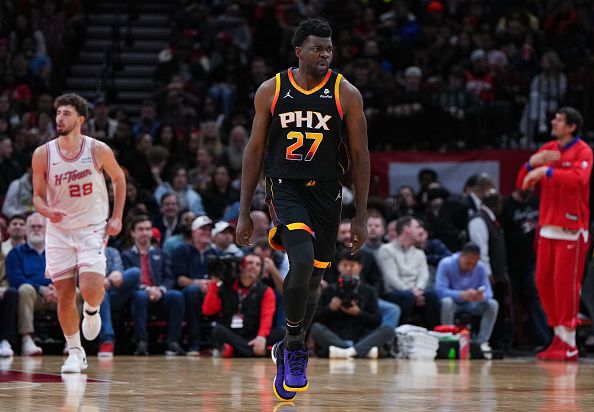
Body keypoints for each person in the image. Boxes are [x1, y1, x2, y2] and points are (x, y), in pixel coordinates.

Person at [235, 18, 370, 401]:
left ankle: (288, 345)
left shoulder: (346, 93)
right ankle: (295, 345)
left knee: (311, 284)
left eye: (329, 49)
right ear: (299, 51)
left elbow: (361, 156)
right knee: (303, 260)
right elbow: (255, 150)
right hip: (285, 186)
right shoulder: (272, 90)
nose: (324, 55)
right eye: (317, 49)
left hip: (327, 192)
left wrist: (360, 216)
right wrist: (244, 211)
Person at [31, 93, 126, 373]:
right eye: (58, 113)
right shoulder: (43, 154)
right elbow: (37, 196)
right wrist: (47, 212)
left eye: (66, 114)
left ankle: (92, 310)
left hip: (91, 227)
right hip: (59, 230)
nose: (60, 118)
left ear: (81, 119)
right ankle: (75, 351)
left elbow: (119, 178)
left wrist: (117, 216)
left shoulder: (97, 150)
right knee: (63, 294)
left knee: (90, 288)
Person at [517, 107, 592, 361]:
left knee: (566, 286)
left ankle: (570, 343)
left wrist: (546, 171)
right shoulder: (548, 148)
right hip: (547, 228)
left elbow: (579, 179)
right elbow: (522, 182)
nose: (553, 121)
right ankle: (558, 338)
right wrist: (531, 164)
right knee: (543, 283)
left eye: (558, 120)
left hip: (572, 229)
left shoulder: (583, 151)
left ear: (571, 126)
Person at [310, 250, 394, 359]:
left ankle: (345, 352)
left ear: (360, 267)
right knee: (316, 328)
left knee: (388, 329)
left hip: (361, 337)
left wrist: (359, 313)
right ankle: (359, 351)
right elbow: (315, 319)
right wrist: (330, 308)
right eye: (345, 265)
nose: (348, 269)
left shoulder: (368, 291)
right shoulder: (329, 290)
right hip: (335, 336)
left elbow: (376, 321)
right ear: (338, 267)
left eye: (352, 265)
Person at [123, 215, 185, 356]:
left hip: (160, 294)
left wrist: (160, 290)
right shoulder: (126, 255)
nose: (145, 232)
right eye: (141, 229)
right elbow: (127, 280)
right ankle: (141, 342)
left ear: (152, 232)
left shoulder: (162, 254)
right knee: (138, 296)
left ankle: (173, 343)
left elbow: (169, 278)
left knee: (177, 296)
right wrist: (147, 289)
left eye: (148, 229)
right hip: (139, 295)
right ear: (133, 233)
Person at [202, 253, 283, 357]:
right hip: (232, 334)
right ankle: (259, 352)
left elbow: (266, 317)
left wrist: (261, 337)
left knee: (282, 331)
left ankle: (238, 351)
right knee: (217, 330)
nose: (254, 266)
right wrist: (213, 282)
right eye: (250, 263)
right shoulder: (225, 287)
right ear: (241, 266)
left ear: (260, 270)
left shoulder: (266, 290)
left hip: (255, 335)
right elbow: (208, 310)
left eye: (258, 264)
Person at [435, 242, 499, 357]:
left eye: (474, 264)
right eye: (468, 263)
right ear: (462, 256)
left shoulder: (480, 267)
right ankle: (449, 339)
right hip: (453, 302)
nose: (471, 267)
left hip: (472, 304)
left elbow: (489, 293)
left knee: (492, 304)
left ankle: (482, 342)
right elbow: (439, 290)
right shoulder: (446, 264)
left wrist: (481, 297)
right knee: (447, 302)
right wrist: (461, 294)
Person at [377, 216, 440, 329]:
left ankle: (432, 336)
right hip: (394, 292)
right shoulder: (386, 250)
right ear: (407, 229)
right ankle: (397, 335)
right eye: (417, 227)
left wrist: (419, 290)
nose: (421, 230)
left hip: (415, 292)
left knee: (432, 295)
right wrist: (412, 292)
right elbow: (391, 278)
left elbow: (423, 275)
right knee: (407, 297)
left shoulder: (419, 253)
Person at [6, 213, 55, 356]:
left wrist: (57, 288)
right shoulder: (15, 253)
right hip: (33, 297)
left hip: (56, 295)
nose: (36, 229)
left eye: (40, 226)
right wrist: (41, 289)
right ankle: (27, 339)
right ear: (26, 230)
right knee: (25, 289)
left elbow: (65, 273)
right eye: (32, 226)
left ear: (47, 229)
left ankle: (71, 343)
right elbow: (16, 280)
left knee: (75, 292)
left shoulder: (55, 252)